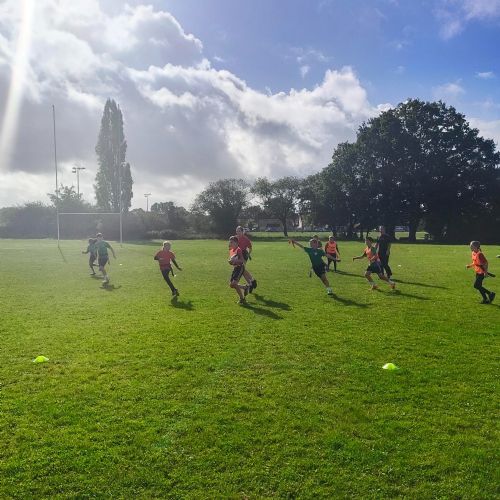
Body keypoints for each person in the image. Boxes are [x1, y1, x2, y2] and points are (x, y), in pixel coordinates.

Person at [228, 235, 249, 304]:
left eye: (232, 242)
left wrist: (234, 261)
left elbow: (242, 260)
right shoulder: (231, 250)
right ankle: (244, 287)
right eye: (230, 242)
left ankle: (242, 299)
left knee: (234, 283)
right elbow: (232, 260)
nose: (230, 244)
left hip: (240, 268)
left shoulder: (238, 250)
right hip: (235, 268)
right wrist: (230, 262)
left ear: (236, 243)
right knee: (231, 285)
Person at [236, 226, 257, 292]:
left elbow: (250, 248)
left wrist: (248, 254)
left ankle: (251, 282)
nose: (238, 232)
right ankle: (251, 283)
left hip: (244, 254)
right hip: (237, 254)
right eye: (237, 231)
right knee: (242, 270)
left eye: (239, 231)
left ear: (242, 232)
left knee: (242, 269)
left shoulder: (246, 239)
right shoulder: (235, 238)